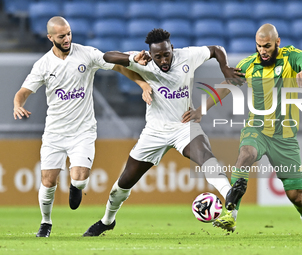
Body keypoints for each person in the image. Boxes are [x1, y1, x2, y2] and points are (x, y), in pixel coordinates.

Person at [82, 28, 246, 236]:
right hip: (155, 131)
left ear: (172, 49)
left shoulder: (188, 56)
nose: (163, 60)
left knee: (205, 156)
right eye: (157, 56)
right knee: (123, 183)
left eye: (166, 54)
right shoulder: (143, 60)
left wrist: (225, 68)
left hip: (183, 126)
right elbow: (108, 57)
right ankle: (107, 220)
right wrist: (133, 60)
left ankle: (229, 196)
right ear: (151, 54)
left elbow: (216, 49)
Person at [13, 16, 149, 237]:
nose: (67, 39)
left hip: (82, 132)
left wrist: (142, 83)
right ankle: (45, 223)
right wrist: (18, 105)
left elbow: (118, 65)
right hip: (54, 133)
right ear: (50, 38)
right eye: (61, 36)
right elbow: (23, 92)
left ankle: (76, 187)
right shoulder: (43, 65)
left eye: (68, 34)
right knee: (48, 181)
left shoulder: (86, 53)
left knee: (80, 178)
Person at [187, 24, 302, 237]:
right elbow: (227, 85)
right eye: (259, 46)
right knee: (246, 154)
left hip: (285, 136)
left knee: (296, 195)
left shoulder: (291, 57)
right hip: (257, 129)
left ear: (277, 42)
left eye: (267, 46)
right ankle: (230, 215)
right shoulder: (249, 65)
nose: (263, 50)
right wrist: (201, 110)